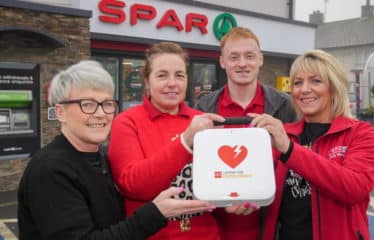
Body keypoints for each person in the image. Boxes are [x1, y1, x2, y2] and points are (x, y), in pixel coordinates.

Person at [18, 60, 216, 240]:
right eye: (87, 105)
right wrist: (155, 213)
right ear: (60, 112)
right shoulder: (50, 170)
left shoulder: (101, 157)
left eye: (106, 104)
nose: (100, 114)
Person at [248, 50, 374, 240]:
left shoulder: (360, 133)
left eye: (315, 81)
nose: (304, 89)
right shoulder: (283, 134)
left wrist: (290, 150)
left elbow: (353, 188)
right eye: (297, 83)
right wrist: (241, 200)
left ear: (334, 88)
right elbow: (257, 185)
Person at [108, 42, 225, 239]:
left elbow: (219, 179)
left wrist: (235, 198)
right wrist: (185, 142)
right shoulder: (127, 122)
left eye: (179, 75)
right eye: (162, 75)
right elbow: (133, 184)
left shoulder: (203, 120)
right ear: (147, 81)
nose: (172, 83)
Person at [194, 26, 296, 239]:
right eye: (234, 57)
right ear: (222, 62)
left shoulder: (286, 106)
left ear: (260, 59)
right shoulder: (204, 107)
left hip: (271, 225)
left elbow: (296, 163)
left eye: (249, 56)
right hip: (216, 226)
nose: (242, 63)